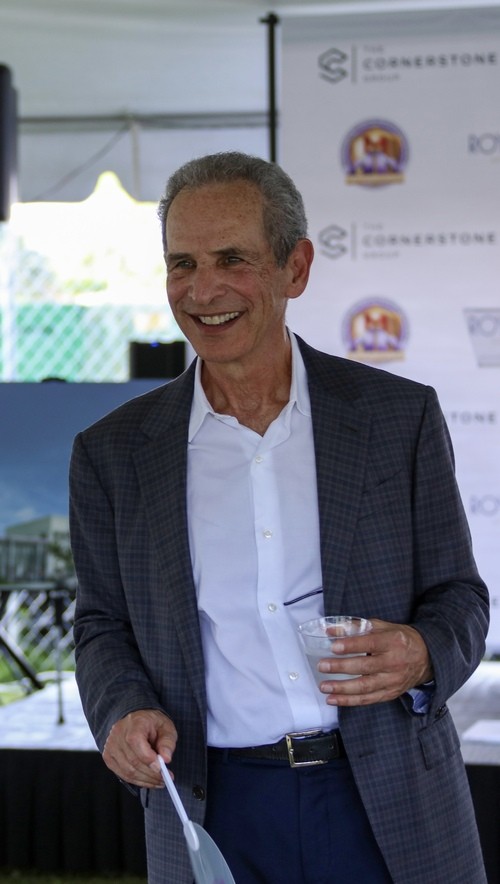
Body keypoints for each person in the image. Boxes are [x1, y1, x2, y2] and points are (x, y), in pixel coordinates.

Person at [70, 151, 489, 884]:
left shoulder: (398, 418)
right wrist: (121, 709)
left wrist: (424, 652)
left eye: (232, 259)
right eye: (182, 264)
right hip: (214, 805)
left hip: (390, 795)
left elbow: (461, 596)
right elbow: (102, 623)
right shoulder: (113, 453)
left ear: (296, 267)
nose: (203, 290)